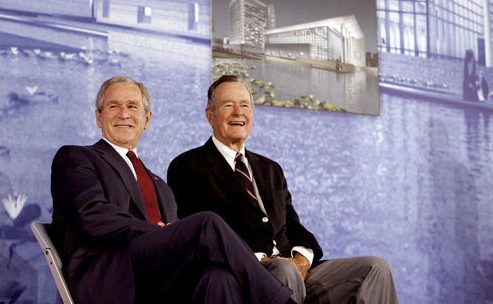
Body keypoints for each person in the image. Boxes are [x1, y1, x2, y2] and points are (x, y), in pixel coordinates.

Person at [50, 76, 294, 304]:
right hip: (111, 277)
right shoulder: (76, 158)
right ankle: (282, 301)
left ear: (146, 120)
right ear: (98, 117)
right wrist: (155, 232)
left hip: (163, 284)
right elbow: (92, 215)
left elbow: (177, 245)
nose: (124, 114)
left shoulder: (160, 185)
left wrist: (168, 235)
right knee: (206, 223)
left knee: (219, 277)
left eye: (133, 107)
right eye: (114, 106)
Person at [167, 75, 399, 304]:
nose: (239, 112)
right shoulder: (187, 166)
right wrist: (263, 260)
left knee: (375, 268)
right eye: (228, 105)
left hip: (291, 269)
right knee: (283, 270)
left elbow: (293, 225)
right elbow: (204, 235)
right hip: (245, 273)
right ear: (210, 115)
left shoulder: (270, 168)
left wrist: (303, 258)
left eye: (245, 105)